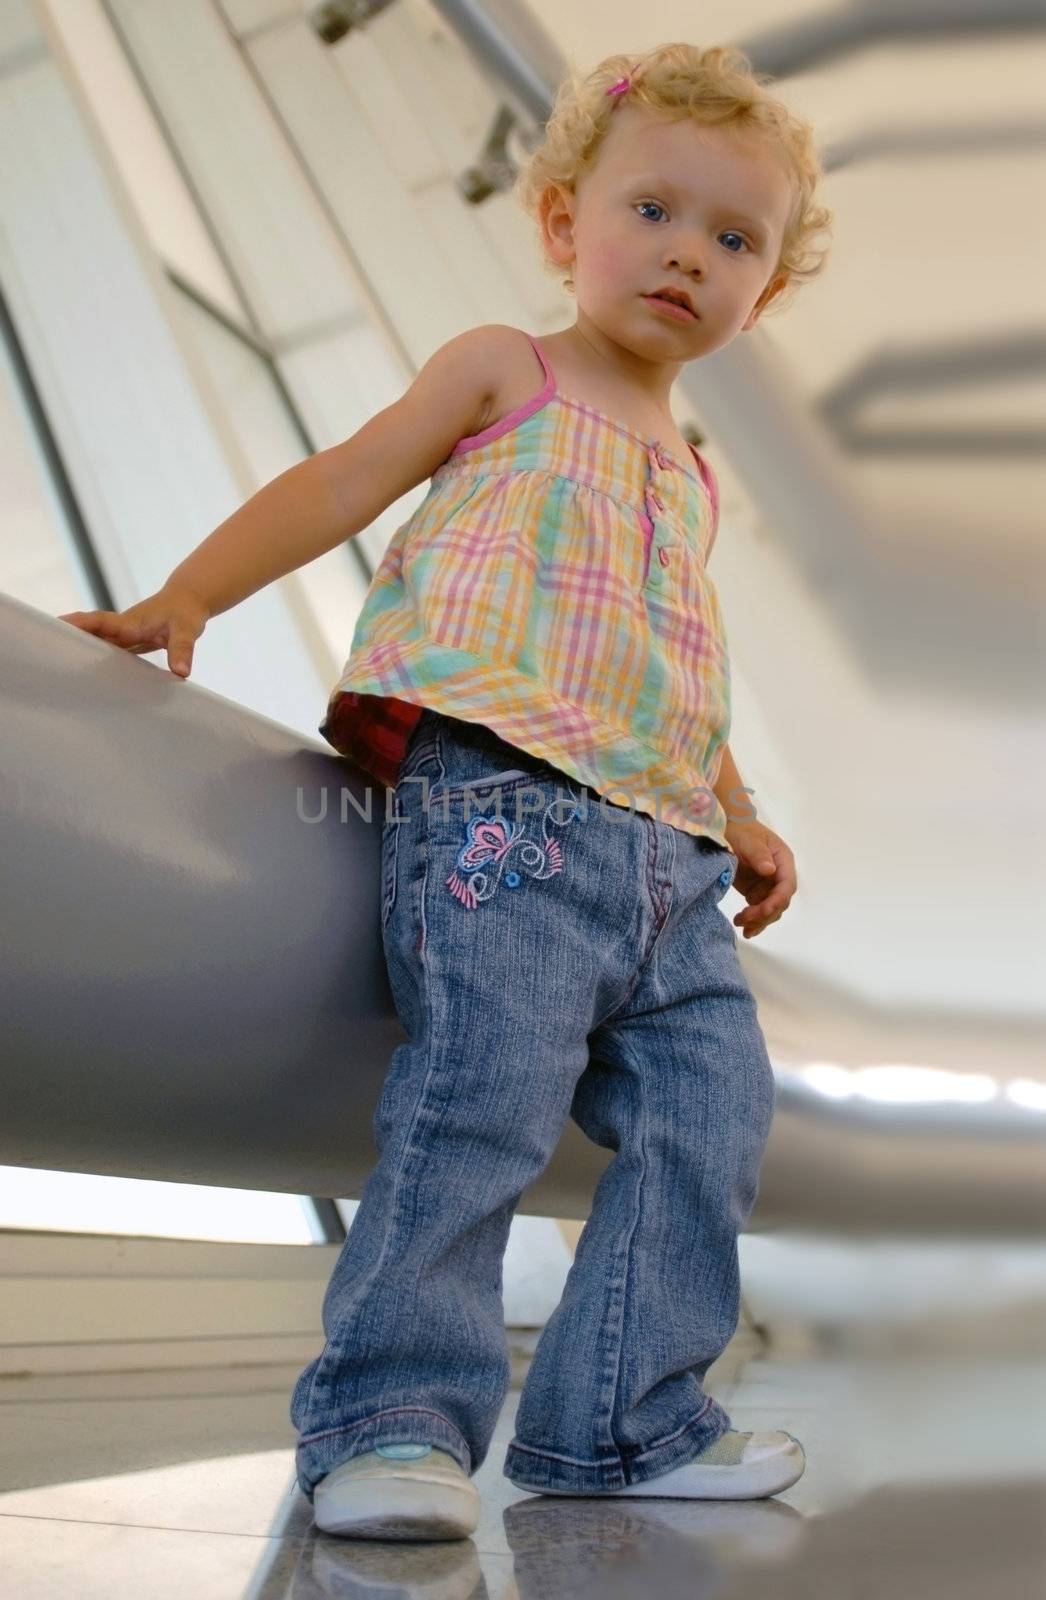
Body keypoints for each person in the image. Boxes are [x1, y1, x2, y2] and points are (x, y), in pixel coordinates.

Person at [59, 41, 832, 1542]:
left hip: (668, 857)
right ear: (561, 224)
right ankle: (389, 1424)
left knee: (716, 1115)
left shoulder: (689, 468)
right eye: (653, 211)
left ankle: (621, 1419)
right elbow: (345, 478)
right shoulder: (508, 366)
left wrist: (735, 806)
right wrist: (184, 594)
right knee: (477, 1101)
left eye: (733, 240)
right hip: (505, 807)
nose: (687, 254)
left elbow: (677, 658)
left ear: (763, 297)